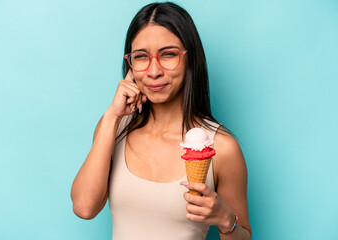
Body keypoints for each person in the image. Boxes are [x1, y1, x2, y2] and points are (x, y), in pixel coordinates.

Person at [71, 2, 251, 239]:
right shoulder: (113, 129)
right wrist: (112, 117)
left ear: (190, 59)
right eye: (141, 57)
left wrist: (225, 218)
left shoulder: (221, 147)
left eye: (168, 55)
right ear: (130, 65)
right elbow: (84, 208)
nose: (154, 71)